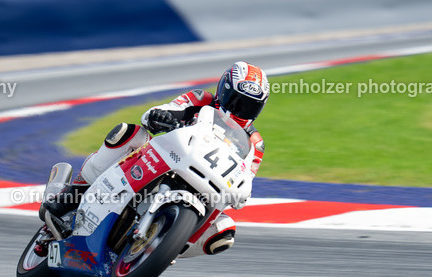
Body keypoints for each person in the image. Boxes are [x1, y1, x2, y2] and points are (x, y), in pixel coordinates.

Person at [42, 61, 268, 257]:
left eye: (250, 106)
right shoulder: (201, 99)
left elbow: (245, 179)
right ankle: (73, 194)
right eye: (238, 101)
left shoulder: (254, 143)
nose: (241, 111)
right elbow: (164, 110)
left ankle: (163, 245)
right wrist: (160, 116)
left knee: (224, 232)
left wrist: (241, 193)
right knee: (129, 133)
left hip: (204, 185)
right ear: (224, 91)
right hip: (164, 162)